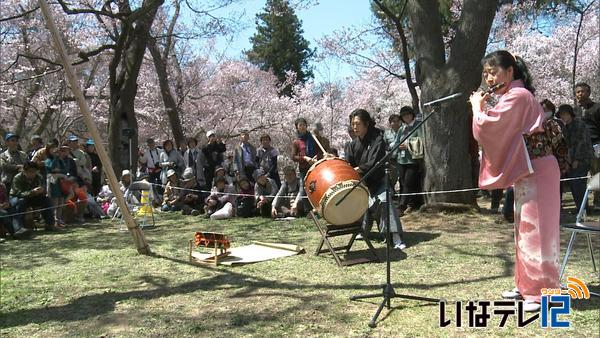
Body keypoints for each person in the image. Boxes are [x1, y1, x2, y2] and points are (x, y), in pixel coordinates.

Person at [470, 50, 562, 312]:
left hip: (539, 168)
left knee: (539, 231)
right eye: (485, 73)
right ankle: (526, 286)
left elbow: (488, 128)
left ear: (511, 72)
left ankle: (543, 293)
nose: (489, 77)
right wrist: (486, 107)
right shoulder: (511, 96)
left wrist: (478, 108)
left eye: (494, 71)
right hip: (528, 169)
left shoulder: (519, 96)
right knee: (524, 229)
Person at [346, 109, 406, 250]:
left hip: (379, 179)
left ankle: (396, 236)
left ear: (366, 123)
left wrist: (356, 169)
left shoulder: (378, 139)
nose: (355, 127)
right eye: (352, 124)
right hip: (363, 182)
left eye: (358, 124)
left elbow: (373, 163)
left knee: (385, 201)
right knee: (360, 203)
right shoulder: (353, 144)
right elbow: (348, 163)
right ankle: (363, 230)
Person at [558, 104, 594, 214]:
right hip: (572, 158)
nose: (563, 117)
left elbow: (582, 142)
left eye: (565, 114)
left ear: (570, 113)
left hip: (582, 158)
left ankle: (583, 208)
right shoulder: (566, 127)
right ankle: (581, 208)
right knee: (574, 184)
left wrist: (577, 159)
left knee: (578, 183)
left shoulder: (578, 124)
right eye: (561, 115)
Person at [10, 161, 56, 232]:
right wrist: (32, 192)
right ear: (24, 171)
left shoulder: (39, 177)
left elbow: (42, 188)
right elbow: (18, 193)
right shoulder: (17, 178)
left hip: (32, 198)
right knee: (20, 202)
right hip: (16, 198)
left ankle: (50, 224)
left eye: (35, 171)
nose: (33, 174)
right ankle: (18, 228)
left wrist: (41, 191)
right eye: (30, 171)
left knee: (46, 200)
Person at [574, 82, 600, 208]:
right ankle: (583, 206)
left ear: (588, 93)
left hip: (595, 145)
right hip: (580, 149)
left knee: (597, 174)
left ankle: (598, 202)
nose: (580, 94)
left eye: (582, 91)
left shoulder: (597, 108)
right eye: (578, 92)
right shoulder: (575, 110)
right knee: (580, 176)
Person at [395, 106, 424, 213]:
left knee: (409, 182)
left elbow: (421, 140)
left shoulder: (418, 125)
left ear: (412, 114)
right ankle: (408, 203)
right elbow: (396, 142)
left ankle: (403, 206)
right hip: (401, 160)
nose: (406, 117)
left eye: (408, 114)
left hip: (413, 160)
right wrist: (399, 146)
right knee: (402, 182)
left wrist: (408, 144)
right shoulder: (401, 129)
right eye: (404, 115)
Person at [383, 114, 402, 192]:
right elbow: (384, 145)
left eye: (398, 121)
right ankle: (393, 194)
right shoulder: (387, 133)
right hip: (392, 160)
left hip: (402, 158)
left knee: (402, 178)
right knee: (393, 178)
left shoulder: (403, 131)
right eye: (394, 121)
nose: (396, 123)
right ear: (390, 123)